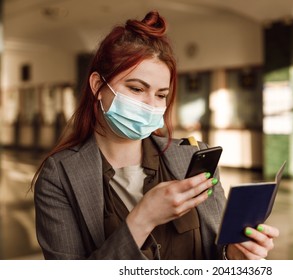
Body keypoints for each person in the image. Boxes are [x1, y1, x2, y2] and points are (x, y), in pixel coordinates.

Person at [32, 10, 279, 260]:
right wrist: (143, 218)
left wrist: (233, 254)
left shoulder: (191, 158)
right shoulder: (59, 176)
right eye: (137, 88)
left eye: (161, 95)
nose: (150, 104)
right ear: (97, 86)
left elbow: (216, 249)